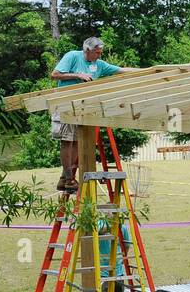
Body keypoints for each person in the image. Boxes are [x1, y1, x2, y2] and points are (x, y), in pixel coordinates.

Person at [50, 37, 131, 192]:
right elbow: (55, 74)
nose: (99, 56)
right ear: (87, 50)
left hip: (82, 108)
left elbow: (122, 70)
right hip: (65, 104)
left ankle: (65, 179)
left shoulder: (99, 64)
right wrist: (78, 75)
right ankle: (68, 179)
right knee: (67, 141)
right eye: (97, 52)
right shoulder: (72, 56)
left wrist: (153, 69)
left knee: (77, 142)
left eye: (101, 52)